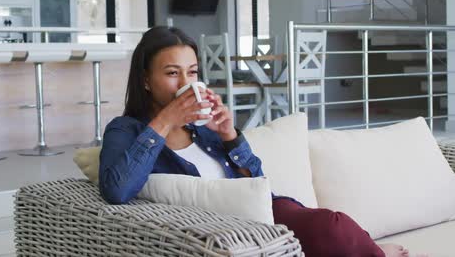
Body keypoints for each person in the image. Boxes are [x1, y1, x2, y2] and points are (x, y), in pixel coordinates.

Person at [99, 26, 415, 257]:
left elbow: (258, 178)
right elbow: (116, 189)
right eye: (172, 73)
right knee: (333, 233)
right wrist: (166, 121)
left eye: (192, 73)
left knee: (334, 226)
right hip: (222, 230)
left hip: (263, 211)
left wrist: (229, 134)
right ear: (145, 80)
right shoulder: (125, 130)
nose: (185, 83)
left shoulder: (202, 127)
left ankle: (369, 250)